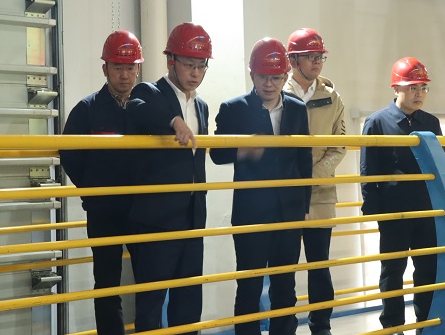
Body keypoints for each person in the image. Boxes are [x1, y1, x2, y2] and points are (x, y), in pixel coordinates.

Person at [210, 37, 313, 335]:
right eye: (263, 77)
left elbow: (304, 159)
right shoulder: (233, 108)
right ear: (251, 74)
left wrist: (304, 207)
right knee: (249, 284)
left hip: (289, 211)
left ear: (285, 76)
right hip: (251, 213)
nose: (269, 84)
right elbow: (216, 153)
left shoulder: (297, 109)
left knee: (285, 284)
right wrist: (243, 149)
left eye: (276, 78)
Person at [125, 22, 212, 334]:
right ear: (171, 61)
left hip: (193, 217)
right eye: (189, 64)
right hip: (157, 220)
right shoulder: (149, 92)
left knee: (188, 300)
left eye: (201, 66)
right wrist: (174, 120)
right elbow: (136, 110)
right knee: (151, 301)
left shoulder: (201, 105)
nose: (195, 73)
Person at [59, 30, 144, 335]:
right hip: (104, 212)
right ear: (105, 68)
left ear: (138, 69)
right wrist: (92, 192)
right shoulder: (87, 110)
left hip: (142, 210)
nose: (125, 75)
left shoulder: (146, 108)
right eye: (118, 67)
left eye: (130, 67)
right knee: (107, 284)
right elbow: (69, 154)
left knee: (149, 280)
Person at [360, 57, 441, 334]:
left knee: (428, 269)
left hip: (427, 210)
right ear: (396, 87)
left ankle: (425, 324)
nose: (419, 93)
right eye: (412, 87)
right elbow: (368, 169)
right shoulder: (377, 122)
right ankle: (393, 326)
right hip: (394, 212)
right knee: (392, 270)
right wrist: (374, 209)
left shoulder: (431, 123)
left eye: (423, 87)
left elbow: (441, 165)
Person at [283, 28, 346, 335]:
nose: (317, 61)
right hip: (284, 195)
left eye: (320, 56)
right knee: (284, 267)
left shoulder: (332, 98)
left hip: (321, 195)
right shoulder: (276, 92)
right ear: (293, 60)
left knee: (319, 265)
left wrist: (313, 176)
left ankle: (321, 326)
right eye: (310, 56)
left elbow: (340, 145)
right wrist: (293, 179)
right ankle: (285, 326)